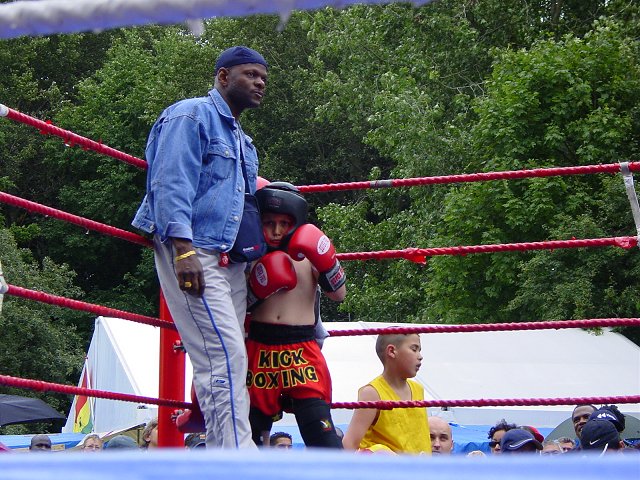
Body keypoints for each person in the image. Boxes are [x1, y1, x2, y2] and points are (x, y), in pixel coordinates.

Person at [132, 45, 269, 449]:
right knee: (226, 357)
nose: (260, 83)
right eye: (250, 75)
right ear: (223, 76)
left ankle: (225, 455)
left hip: (230, 258)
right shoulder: (191, 115)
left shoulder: (243, 141)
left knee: (222, 360)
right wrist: (183, 250)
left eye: (263, 78)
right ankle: (239, 460)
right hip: (196, 248)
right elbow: (170, 181)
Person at [246, 182, 346, 448]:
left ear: (296, 223)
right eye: (269, 223)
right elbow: (236, 306)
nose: (276, 231)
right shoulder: (249, 254)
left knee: (323, 438)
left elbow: (339, 295)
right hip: (259, 349)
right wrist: (256, 289)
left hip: (301, 352)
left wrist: (327, 262)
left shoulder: (308, 254)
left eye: (284, 223)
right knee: (251, 438)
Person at [342, 334, 432, 455]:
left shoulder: (418, 389)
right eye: (414, 349)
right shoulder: (372, 393)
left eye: (419, 350)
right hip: (385, 466)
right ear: (392, 351)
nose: (420, 356)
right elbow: (350, 443)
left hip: (420, 466)